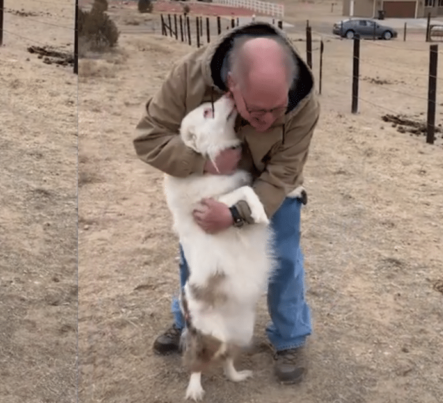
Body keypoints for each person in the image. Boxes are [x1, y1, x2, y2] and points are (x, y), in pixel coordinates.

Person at [133, 22, 320, 385]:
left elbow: (282, 174)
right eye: (258, 111)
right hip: (209, 179)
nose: (268, 122)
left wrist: (236, 214)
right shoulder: (189, 75)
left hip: (268, 185)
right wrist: (203, 164)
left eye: (277, 110)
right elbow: (148, 137)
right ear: (232, 85)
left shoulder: (304, 102)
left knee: (281, 256)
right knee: (198, 259)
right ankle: (189, 323)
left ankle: (290, 338)